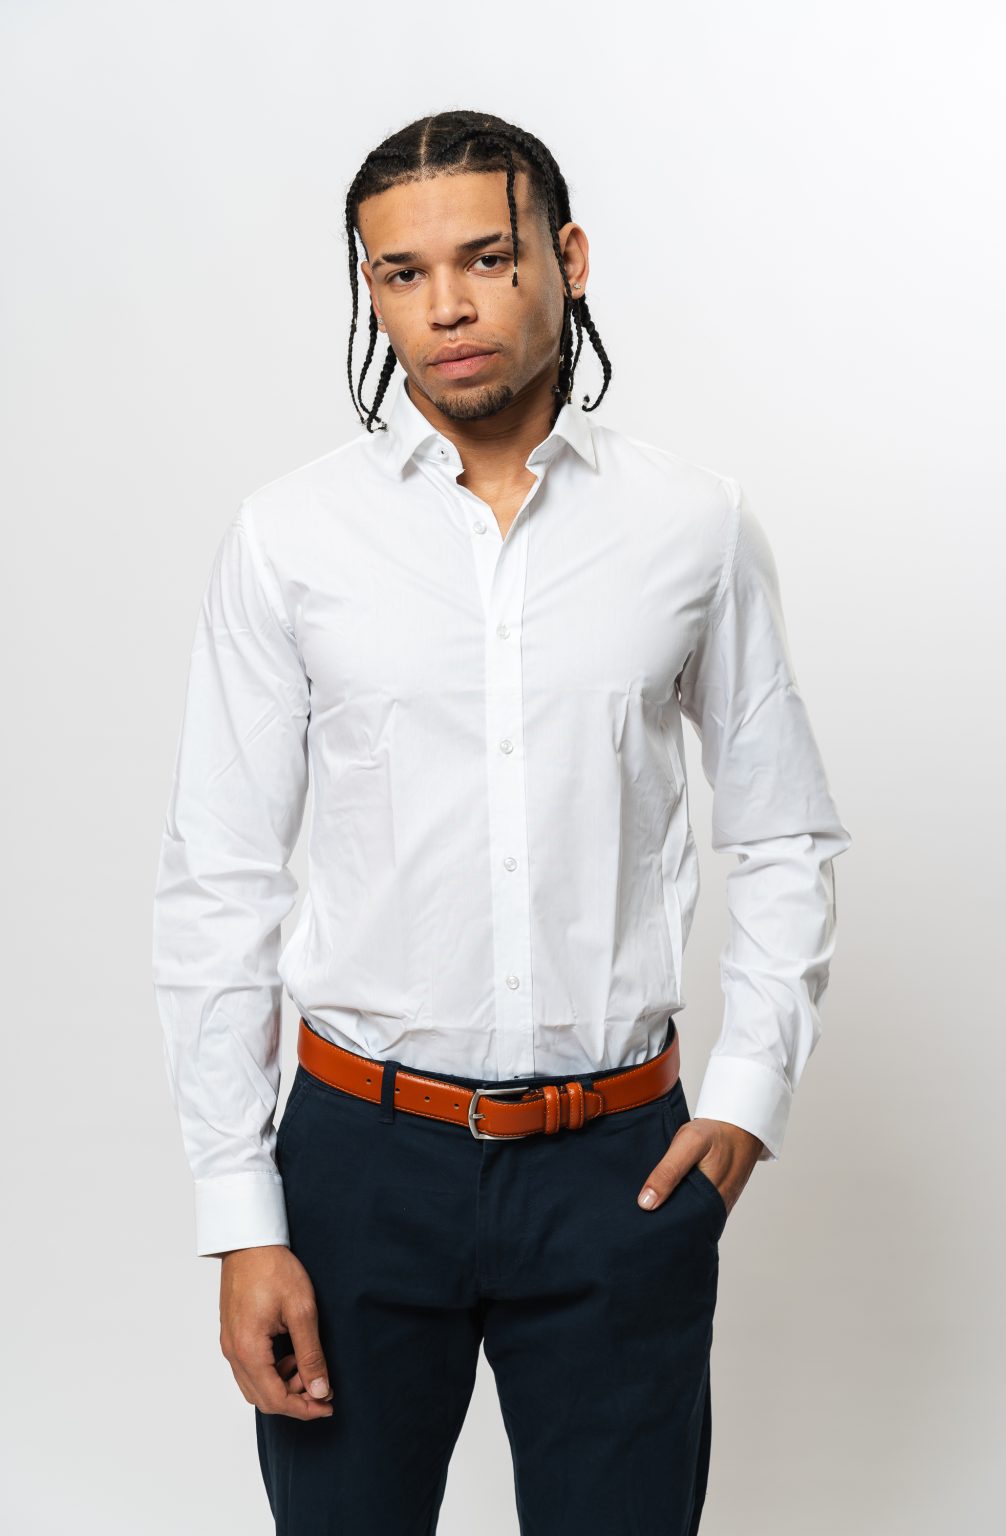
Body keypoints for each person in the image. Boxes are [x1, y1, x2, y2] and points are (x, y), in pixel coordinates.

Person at [151, 109, 852, 1536]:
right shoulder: (290, 538)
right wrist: (239, 1214)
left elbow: (783, 831)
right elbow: (221, 878)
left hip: (619, 1167)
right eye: (400, 274)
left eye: (485, 258)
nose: (447, 307)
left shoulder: (694, 526)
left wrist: (747, 1095)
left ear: (567, 258)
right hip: (357, 1165)